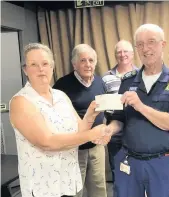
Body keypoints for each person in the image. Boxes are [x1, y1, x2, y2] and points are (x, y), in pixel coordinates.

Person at [100, 24, 169, 197]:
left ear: (163, 45)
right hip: (129, 161)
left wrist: (140, 106)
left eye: (151, 42)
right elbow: (120, 118)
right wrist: (109, 129)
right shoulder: (127, 81)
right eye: (140, 44)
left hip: (163, 163)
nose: (145, 48)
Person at [9, 43, 107, 197]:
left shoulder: (61, 96)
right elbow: (46, 142)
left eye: (45, 63)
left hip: (68, 180)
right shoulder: (21, 101)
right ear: (25, 70)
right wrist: (92, 135)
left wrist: (90, 115)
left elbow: (79, 129)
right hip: (43, 186)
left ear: (52, 67)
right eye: (34, 64)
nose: (41, 69)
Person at [53, 44, 107, 197]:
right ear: (74, 64)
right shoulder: (61, 85)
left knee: (99, 188)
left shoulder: (100, 82)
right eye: (83, 60)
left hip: (97, 147)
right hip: (74, 149)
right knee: (74, 190)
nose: (88, 64)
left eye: (91, 60)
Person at [102, 40, 137, 182]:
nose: (122, 55)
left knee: (136, 173)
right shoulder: (106, 77)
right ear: (115, 55)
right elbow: (102, 103)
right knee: (117, 171)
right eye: (119, 52)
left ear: (133, 54)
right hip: (115, 132)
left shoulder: (141, 75)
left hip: (135, 131)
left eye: (126, 51)